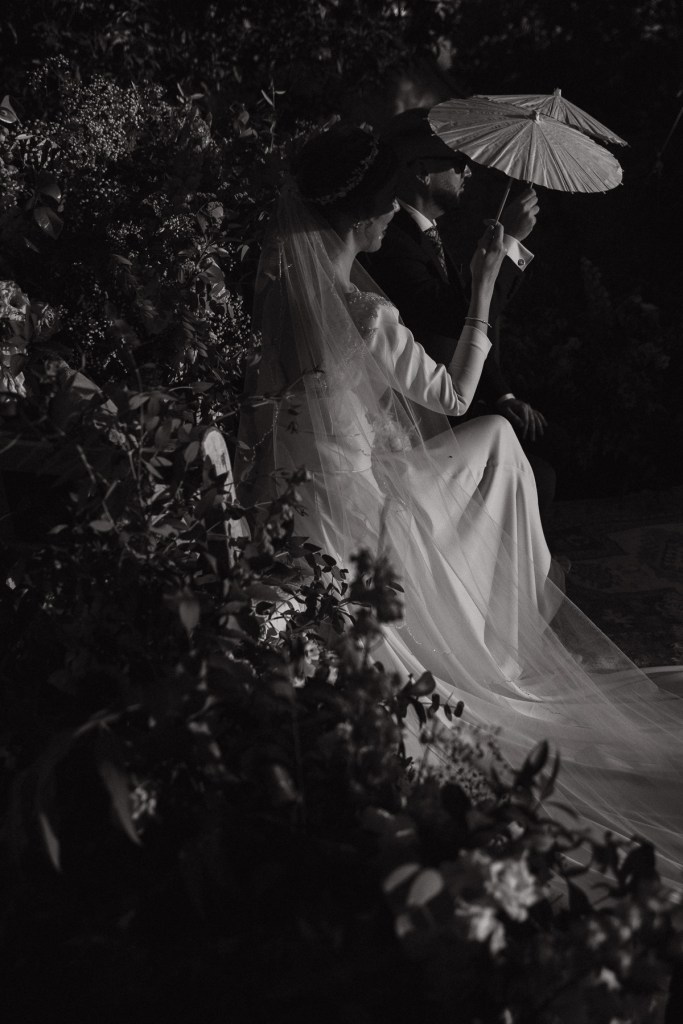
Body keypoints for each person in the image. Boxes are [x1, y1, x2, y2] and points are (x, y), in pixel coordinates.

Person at [240, 123, 683, 887]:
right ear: (362, 214)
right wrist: (481, 284)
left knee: (490, 444)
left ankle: (498, 616)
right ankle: (502, 635)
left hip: (304, 498)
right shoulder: (363, 312)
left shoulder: (275, 292)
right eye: (384, 203)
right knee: (495, 442)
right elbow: (450, 394)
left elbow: (271, 415)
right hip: (368, 508)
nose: (389, 214)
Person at [362, 108, 557, 522]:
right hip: (419, 414)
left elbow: (478, 321)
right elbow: (454, 316)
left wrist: (503, 394)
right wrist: (509, 245)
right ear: (421, 171)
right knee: (535, 475)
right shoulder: (391, 241)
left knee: (544, 454)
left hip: (459, 398)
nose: (468, 172)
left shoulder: (430, 235)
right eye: (457, 162)